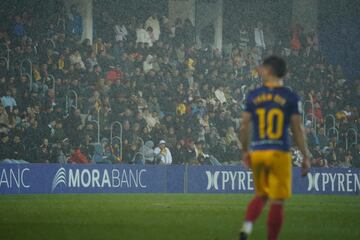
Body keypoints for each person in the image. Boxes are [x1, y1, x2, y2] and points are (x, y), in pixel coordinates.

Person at [239, 56, 311, 240]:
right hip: (280, 151)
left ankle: (246, 228)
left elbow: (244, 126)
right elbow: (296, 128)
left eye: (262, 67)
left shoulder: (254, 95)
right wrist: (305, 155)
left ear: (269, 70)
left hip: (259, 151)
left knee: (261, 195)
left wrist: (245, 151)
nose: (259, 70)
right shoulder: (291, 97)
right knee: (277, 201)